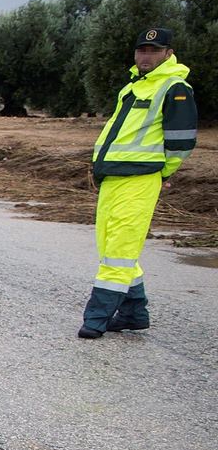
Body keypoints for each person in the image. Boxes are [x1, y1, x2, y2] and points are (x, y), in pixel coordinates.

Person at [79, 27, 197, 338]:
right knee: (111, 248)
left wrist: (163, 172)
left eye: (153, 50)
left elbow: (182, 143)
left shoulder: (175, 88)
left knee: (120, 249)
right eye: (142, 50)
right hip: (113, 178)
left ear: (168, 53)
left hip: (140, 179)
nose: (146, 56)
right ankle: (134, 312)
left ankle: (96, 319)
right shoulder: (135, 86)